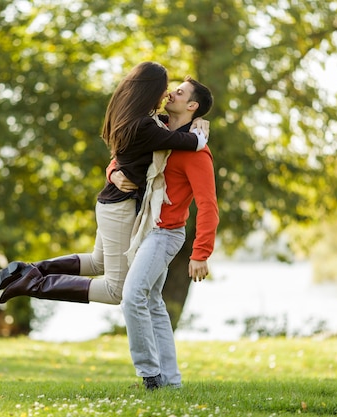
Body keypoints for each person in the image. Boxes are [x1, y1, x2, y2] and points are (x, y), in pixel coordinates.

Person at [0, 62, 208, 306]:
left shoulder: (135, 117)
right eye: (165, 89)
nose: (167, 94)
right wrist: (201, 130)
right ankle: (34, 284)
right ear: (150, 91)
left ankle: (26, 270)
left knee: (97, 262)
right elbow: (191, 142)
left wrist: (112, 171)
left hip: (110, 202)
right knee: (116, 291)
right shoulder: (145, 126)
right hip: (121, 208)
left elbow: (158, 136)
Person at [110, 76, 218, 390]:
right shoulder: (156, 131)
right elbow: (122, 158)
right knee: (153, 304)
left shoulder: (196, 152)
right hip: (144, 228)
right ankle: (170, 382)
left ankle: (150, 377)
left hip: (165, 233)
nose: (171, 92)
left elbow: (208, 205)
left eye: (180, 92)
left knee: (132, 298)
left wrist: (201, 253)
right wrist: (114, 173)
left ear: (192, 106)